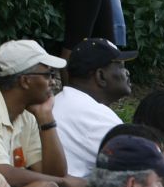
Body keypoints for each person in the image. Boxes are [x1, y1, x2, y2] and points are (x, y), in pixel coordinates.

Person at [0, 40, 85, 187]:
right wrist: (63, 183)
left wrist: (46, 118)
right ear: (25, 81)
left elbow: (52, 172)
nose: (54, 82)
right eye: (48, 75)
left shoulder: (26, 116)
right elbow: (2, 171)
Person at [52, 37, 138, 178]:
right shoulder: (94, 115)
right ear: (100, 76)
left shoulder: (62, 100)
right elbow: (145, 160)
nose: (127, 72)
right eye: (121, 66)